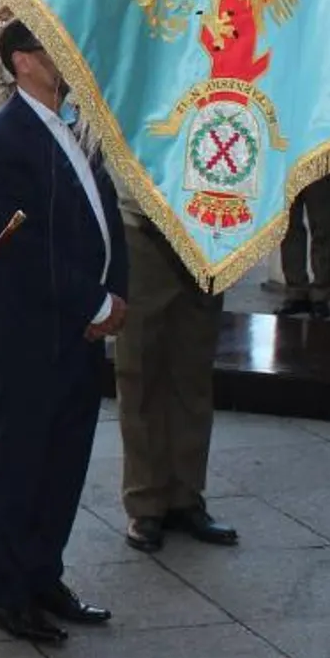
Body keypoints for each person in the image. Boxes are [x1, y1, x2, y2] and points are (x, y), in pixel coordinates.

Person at [0, 19, 123, 644]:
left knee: (66, 462)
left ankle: (44, 575)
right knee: (24, 463)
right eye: (51, 48)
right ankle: (8, 590)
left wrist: (121, 292)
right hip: (34, 330)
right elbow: (18, 243)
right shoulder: (2, 137)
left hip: (83, 328)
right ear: (22, 62)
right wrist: (92, 304)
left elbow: (105, 213)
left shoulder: (74, 125)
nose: (66, 57)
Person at [113, 190, 240, 554]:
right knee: (140, 371)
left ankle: (186, 496)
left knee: (193, 371)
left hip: (204, 232)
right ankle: (145, 502)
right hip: (142, 228)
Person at [276, 174, 330, 320]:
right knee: (287, 226)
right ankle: (295, 293)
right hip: (286, 158)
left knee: (323, 225)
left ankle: (320, 295)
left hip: (320, 157)